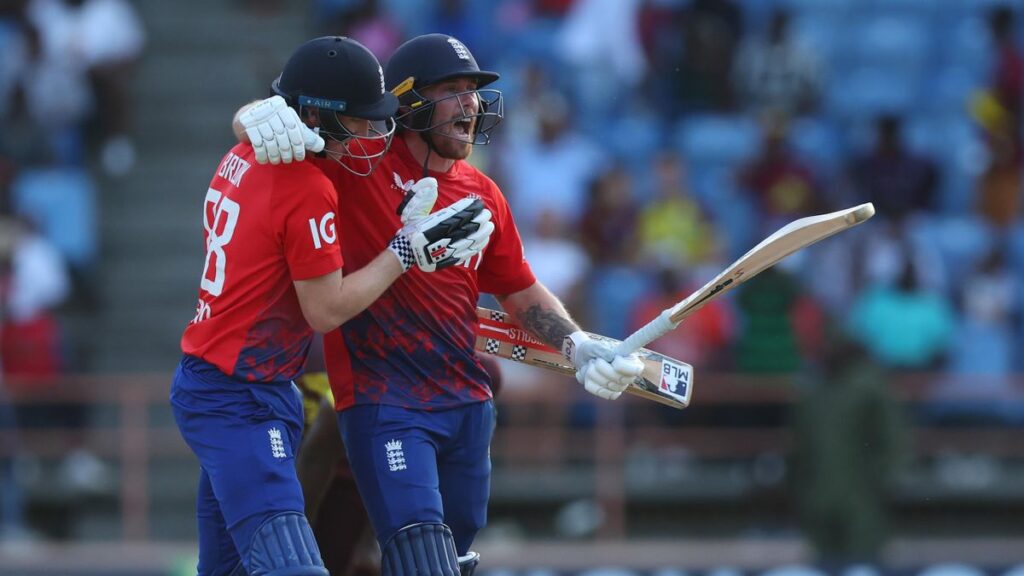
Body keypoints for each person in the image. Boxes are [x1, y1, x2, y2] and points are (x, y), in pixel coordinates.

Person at [232, 33, 645, 576]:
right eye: (451, 89)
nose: (470, 103)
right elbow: (264, 137)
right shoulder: (357, 164)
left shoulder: (484, 193)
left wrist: (576, 341)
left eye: (473, 91)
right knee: (420, 555)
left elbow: (519, 290)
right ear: (407, 103)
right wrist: (253, 115)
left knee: (451, 560)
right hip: (385, 401)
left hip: (466, 405)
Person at [171, 36, 493, 576]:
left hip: (231, 382)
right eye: (362, 121)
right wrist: (406, 251)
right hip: (241, 396)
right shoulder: (308, 186)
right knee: (294, 568)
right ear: (317, 117)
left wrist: (250, 116)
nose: (373, 132)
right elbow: (325, 311)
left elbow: (255, 125)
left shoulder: (242, 153)